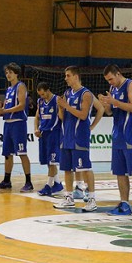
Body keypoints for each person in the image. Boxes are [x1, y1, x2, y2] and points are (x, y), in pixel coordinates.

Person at [98, 64, 132, 216]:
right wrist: (105, 104)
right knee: (120, 172)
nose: (110, 83)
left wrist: (114, 101)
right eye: (107, 80)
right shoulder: (113, 90)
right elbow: (110, 112)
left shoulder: (130, 85)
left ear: (118, 74)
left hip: (131, 136)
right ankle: (125, 204)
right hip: (118, 136)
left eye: (111, 79)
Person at [53, 66, 98, 212]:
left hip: (80, 136)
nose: (65, 78)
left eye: (68, 75)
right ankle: (69, 198)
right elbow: (62, 117)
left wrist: (66, 105)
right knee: (66, 169)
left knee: (85, 168)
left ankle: (91, 199)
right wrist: (61, 108)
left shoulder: (86, 94)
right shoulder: (67, 93)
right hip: (66, 136)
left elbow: (84, 115)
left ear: (76, 77)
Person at [0, 62, 33, 192]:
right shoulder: (9, 89)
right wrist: (0, 109)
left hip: (18, 123)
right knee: (7, 154)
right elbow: (8, 108)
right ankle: (7, 180)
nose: (8, 75)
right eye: (6, 73)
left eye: (10, 72)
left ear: (16, 73)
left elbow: (21, 105)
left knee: (22, 153)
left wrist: (4, 111)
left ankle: (28, 182)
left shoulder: (21, 86)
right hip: (8, 124)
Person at [34, 82, 64, 196]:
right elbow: (37, 117)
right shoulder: (40, 101)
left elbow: (61, 117)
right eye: (40, 94)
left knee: (52, 161)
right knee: (48, 162)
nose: (42, 96)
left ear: (48, 90)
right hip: (43, 134)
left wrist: (61, 108)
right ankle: (57, 183)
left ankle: (48, 185)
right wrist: (36, 128)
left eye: (43, 94)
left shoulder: (57, 100)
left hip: (54, 134)